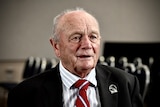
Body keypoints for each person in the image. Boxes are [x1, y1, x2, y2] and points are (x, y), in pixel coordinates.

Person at [7, 7, 143, 107]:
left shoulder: (127, 84)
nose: (87, 45)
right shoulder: (25, 94)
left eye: (93, 37)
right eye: (76, 37)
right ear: (56, 46)